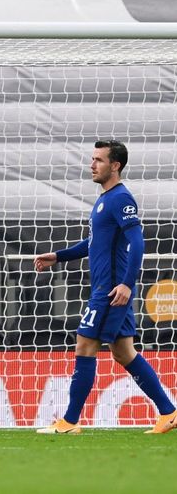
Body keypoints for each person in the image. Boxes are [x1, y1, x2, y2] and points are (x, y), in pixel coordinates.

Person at [34, 140, 177, 434]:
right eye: (92, 159)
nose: (92, 164)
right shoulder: (104, 200)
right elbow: (94, 243)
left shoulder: (121, 199)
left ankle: (69, 422)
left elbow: (138, 242)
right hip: (110, 289)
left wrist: (126, 283)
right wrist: (58, 257)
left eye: (98, 160)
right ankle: (169, 412)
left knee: (85, 345)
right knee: (124, 352)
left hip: (111, 291)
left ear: (115, 166)